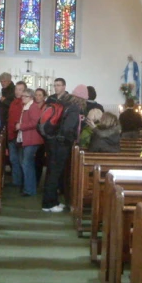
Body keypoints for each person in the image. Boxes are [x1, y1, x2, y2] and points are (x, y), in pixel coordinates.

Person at [41, 78, 80, 212]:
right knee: (55, 173)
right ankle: (49, 204)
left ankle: (52, 201)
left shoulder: (51, 101)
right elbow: (69, 126)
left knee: (52, 172)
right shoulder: (72, 104)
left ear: (64, 86)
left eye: (59, 85)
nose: (56, 88)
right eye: (55, 85)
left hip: (51, 140)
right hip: (61, 142)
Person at [16, 88, 43, 196]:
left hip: (32, 139)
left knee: (27, 164)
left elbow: (35, 122)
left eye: (25, 96)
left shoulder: (33, 107)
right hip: (28, 139)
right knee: (26, 164)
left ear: (31, 98)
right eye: (22, 96)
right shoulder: (27, 106)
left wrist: (21, 126)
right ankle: (28, 188)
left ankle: (30, 190)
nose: (22, 98)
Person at [6, 81, 27, 188]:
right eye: (16, 89)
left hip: (20, 136)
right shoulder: (13, 102)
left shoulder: (25, 103)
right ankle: (16, 181)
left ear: (24, 91)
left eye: (20, 89)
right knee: (13, 160)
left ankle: (22, 182)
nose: (17, 92)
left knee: (21, 160)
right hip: (11, 135)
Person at [34, 88, 48, 185]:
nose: (38, 97)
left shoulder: (47, 107)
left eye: (40, 95)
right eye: (36, 95)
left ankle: (38, 180)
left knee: (39, 158)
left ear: (44, 97)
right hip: (32, 134)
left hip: (42, 136)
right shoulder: (32, 105)